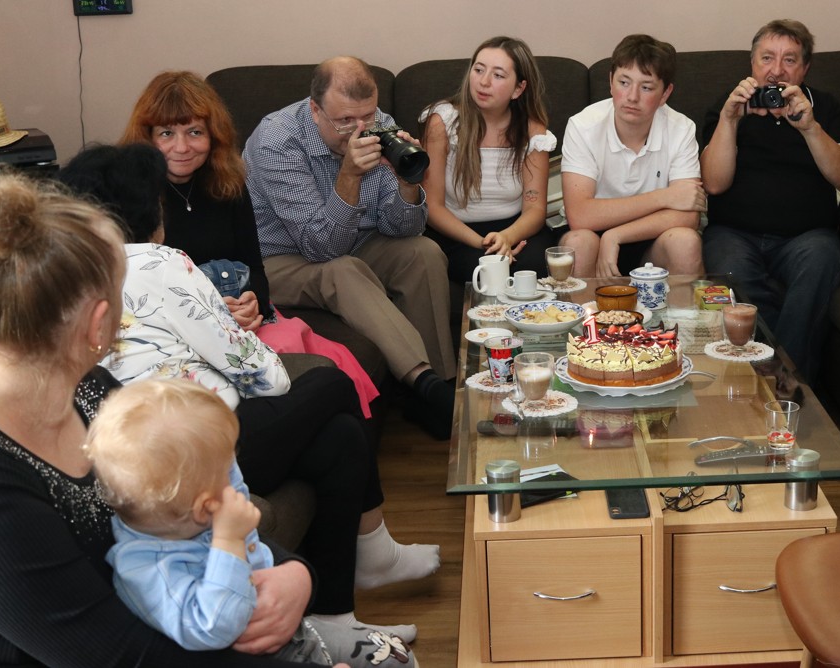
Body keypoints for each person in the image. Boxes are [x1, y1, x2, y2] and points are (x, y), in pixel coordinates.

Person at [0, 170, 321, 666]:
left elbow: (202, 494)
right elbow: (114, 656)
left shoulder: (89, 388)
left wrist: (294, 573)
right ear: (100, 324)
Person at [59, 143, 439, 643]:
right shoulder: (160, 262)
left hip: (141, 458)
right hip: (201, 448)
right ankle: (373, 552)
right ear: (148, 209)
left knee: (339, 438)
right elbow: (267, 375)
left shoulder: (68, 277)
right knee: (331, 382)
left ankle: (337, 619)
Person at [84, 378, 412, 665]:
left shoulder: (184, 516)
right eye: (227, 470)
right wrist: (228, 541)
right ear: (205, 507)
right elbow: (215, 626)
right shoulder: (150, 571)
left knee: (399, 657)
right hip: (268, 656)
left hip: (293, 629)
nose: (236, 484)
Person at [120, 70, 379, 419]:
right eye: (167, 133)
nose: (181, 147)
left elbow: (256, 267)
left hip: (245, 321)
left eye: (194, 132)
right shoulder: (131, 198)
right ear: (147, 138)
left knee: (330, 363)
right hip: (177, 334)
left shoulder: (229, 183)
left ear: (213, 135)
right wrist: (214, 313)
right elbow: (131, 297)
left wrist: (252, 300)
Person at [243, 55, 456, 440]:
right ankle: (427, 386)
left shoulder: (381, 124)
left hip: (355, 242)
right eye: (344, 120)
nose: (358, 130)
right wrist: (350, 176)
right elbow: (320, 247)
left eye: (367, 116)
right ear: (315, 110)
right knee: (342, 270)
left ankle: (441, 384)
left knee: (423, 253)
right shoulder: (276, 141)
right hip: (279, 259)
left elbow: (403, 229)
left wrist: (408, 182)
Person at [700, 19, 840, 382]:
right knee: (729, 269)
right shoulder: (728, 106)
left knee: (822, 259)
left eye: (789, 60)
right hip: (734, 234)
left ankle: (779, 381)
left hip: (807, 238)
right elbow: (714, 183)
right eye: (767, 58)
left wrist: (810, 128)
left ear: (805, 69)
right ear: (752, 63)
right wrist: (729, 120)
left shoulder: (825, 108)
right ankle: (783, 379)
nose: (776, 70)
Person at [559, 34, 705, 278]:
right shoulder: (582, 126)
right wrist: (665, 196)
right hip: (592, 234)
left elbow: (689, 216)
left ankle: (681, 307)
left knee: (685, 242)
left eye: (646, 87)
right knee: (578, 244)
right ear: (610, 82)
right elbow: (580, 216)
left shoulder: (681, 128)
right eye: (624, 82)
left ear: (665, 93)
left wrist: (616, 235)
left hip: (654, 235)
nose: (632, 97)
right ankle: (583, 306)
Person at [419, 35, 556, 283]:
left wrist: (507, 238)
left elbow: (535, 209)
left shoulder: (532, 131)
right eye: (479, 70)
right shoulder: (443, 122)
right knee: (485, 269)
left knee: (535, 264)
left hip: (515, 229)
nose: (483, 82)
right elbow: (432, 206)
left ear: (518, 89)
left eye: (498, 75)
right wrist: (485, 243)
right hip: (456, 233)